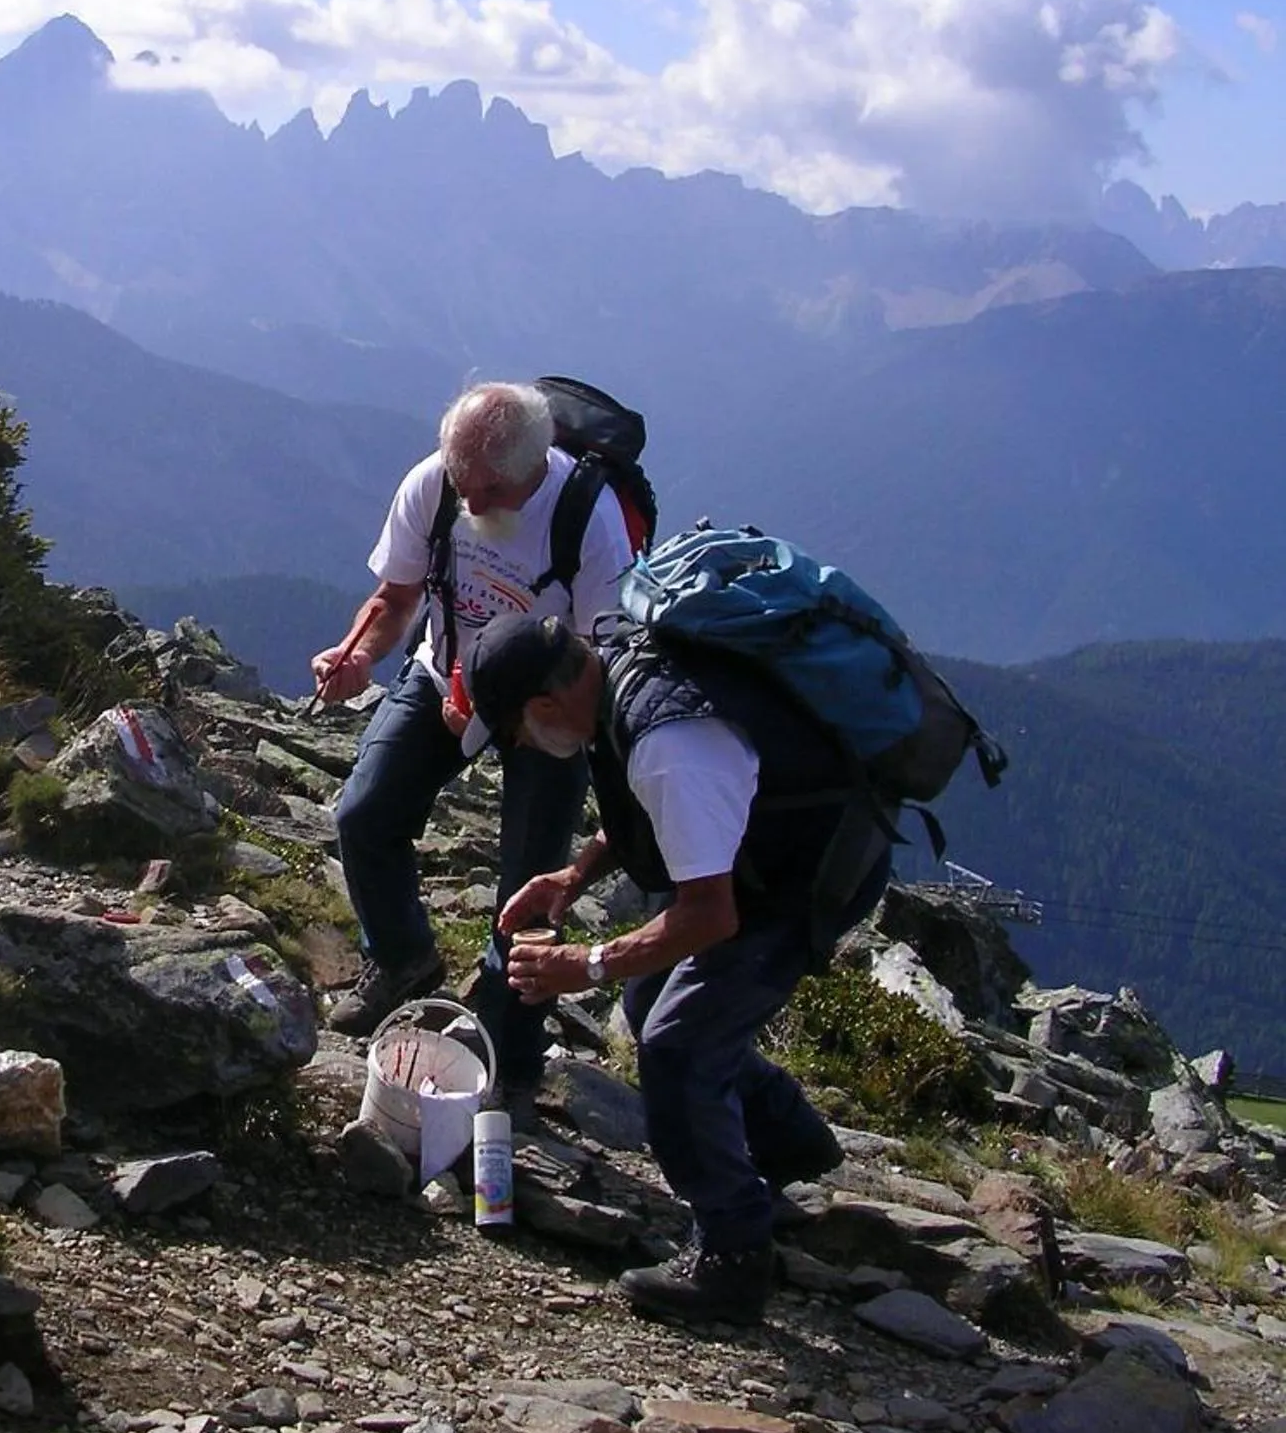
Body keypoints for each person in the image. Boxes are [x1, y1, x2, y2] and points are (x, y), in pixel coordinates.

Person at [463, 610, 885, 1329]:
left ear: (542, 706)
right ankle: (786, 1140)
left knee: (676, 1045)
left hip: (800, 880)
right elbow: (649, 809)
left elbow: (709, 916)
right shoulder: (619, 679)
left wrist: (584, 964)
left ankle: (732, 1256)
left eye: (514, 733)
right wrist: (574, 877)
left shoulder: (669, 742)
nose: (522, 746)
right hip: (758, 854)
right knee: (652, 994)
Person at [310, 382, 633, 1114]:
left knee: (527, 889)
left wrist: (549, 731)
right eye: (463, 481)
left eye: (491, 487)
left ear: (535, 466)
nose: (474, 500)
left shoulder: (590, 520)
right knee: (364, 814)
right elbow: (396, 600)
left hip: (542, 708)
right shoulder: (437, 485)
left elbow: (601, 663)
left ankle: (509, 1056)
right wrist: (358, 654)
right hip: (442, 671)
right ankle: (401, 961)